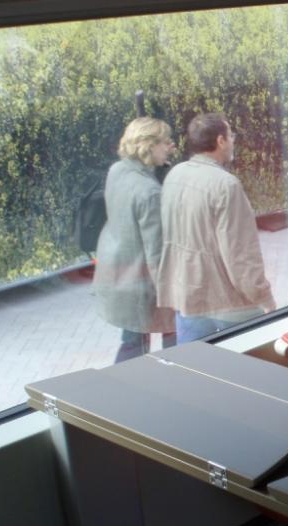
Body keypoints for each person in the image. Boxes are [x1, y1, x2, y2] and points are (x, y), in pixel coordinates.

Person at [157, 113, 276, 343]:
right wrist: (264, 297)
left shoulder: (174, 175)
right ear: (220, 141)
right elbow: (240, 255)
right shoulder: (226, 186)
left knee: (193, 365)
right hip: (229, 305)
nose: (233, 141)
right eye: (231, 136)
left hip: (188, 299)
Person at [93, 117, 177, 362]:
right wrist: (171, 295)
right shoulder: (149, 193)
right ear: (149, 145)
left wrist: (160, 167)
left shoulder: (118, 170)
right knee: (170, 338)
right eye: (165, 142)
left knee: (132, 341)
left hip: (118, 275)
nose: (170, 147)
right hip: (141, 285)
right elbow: (157, 253)